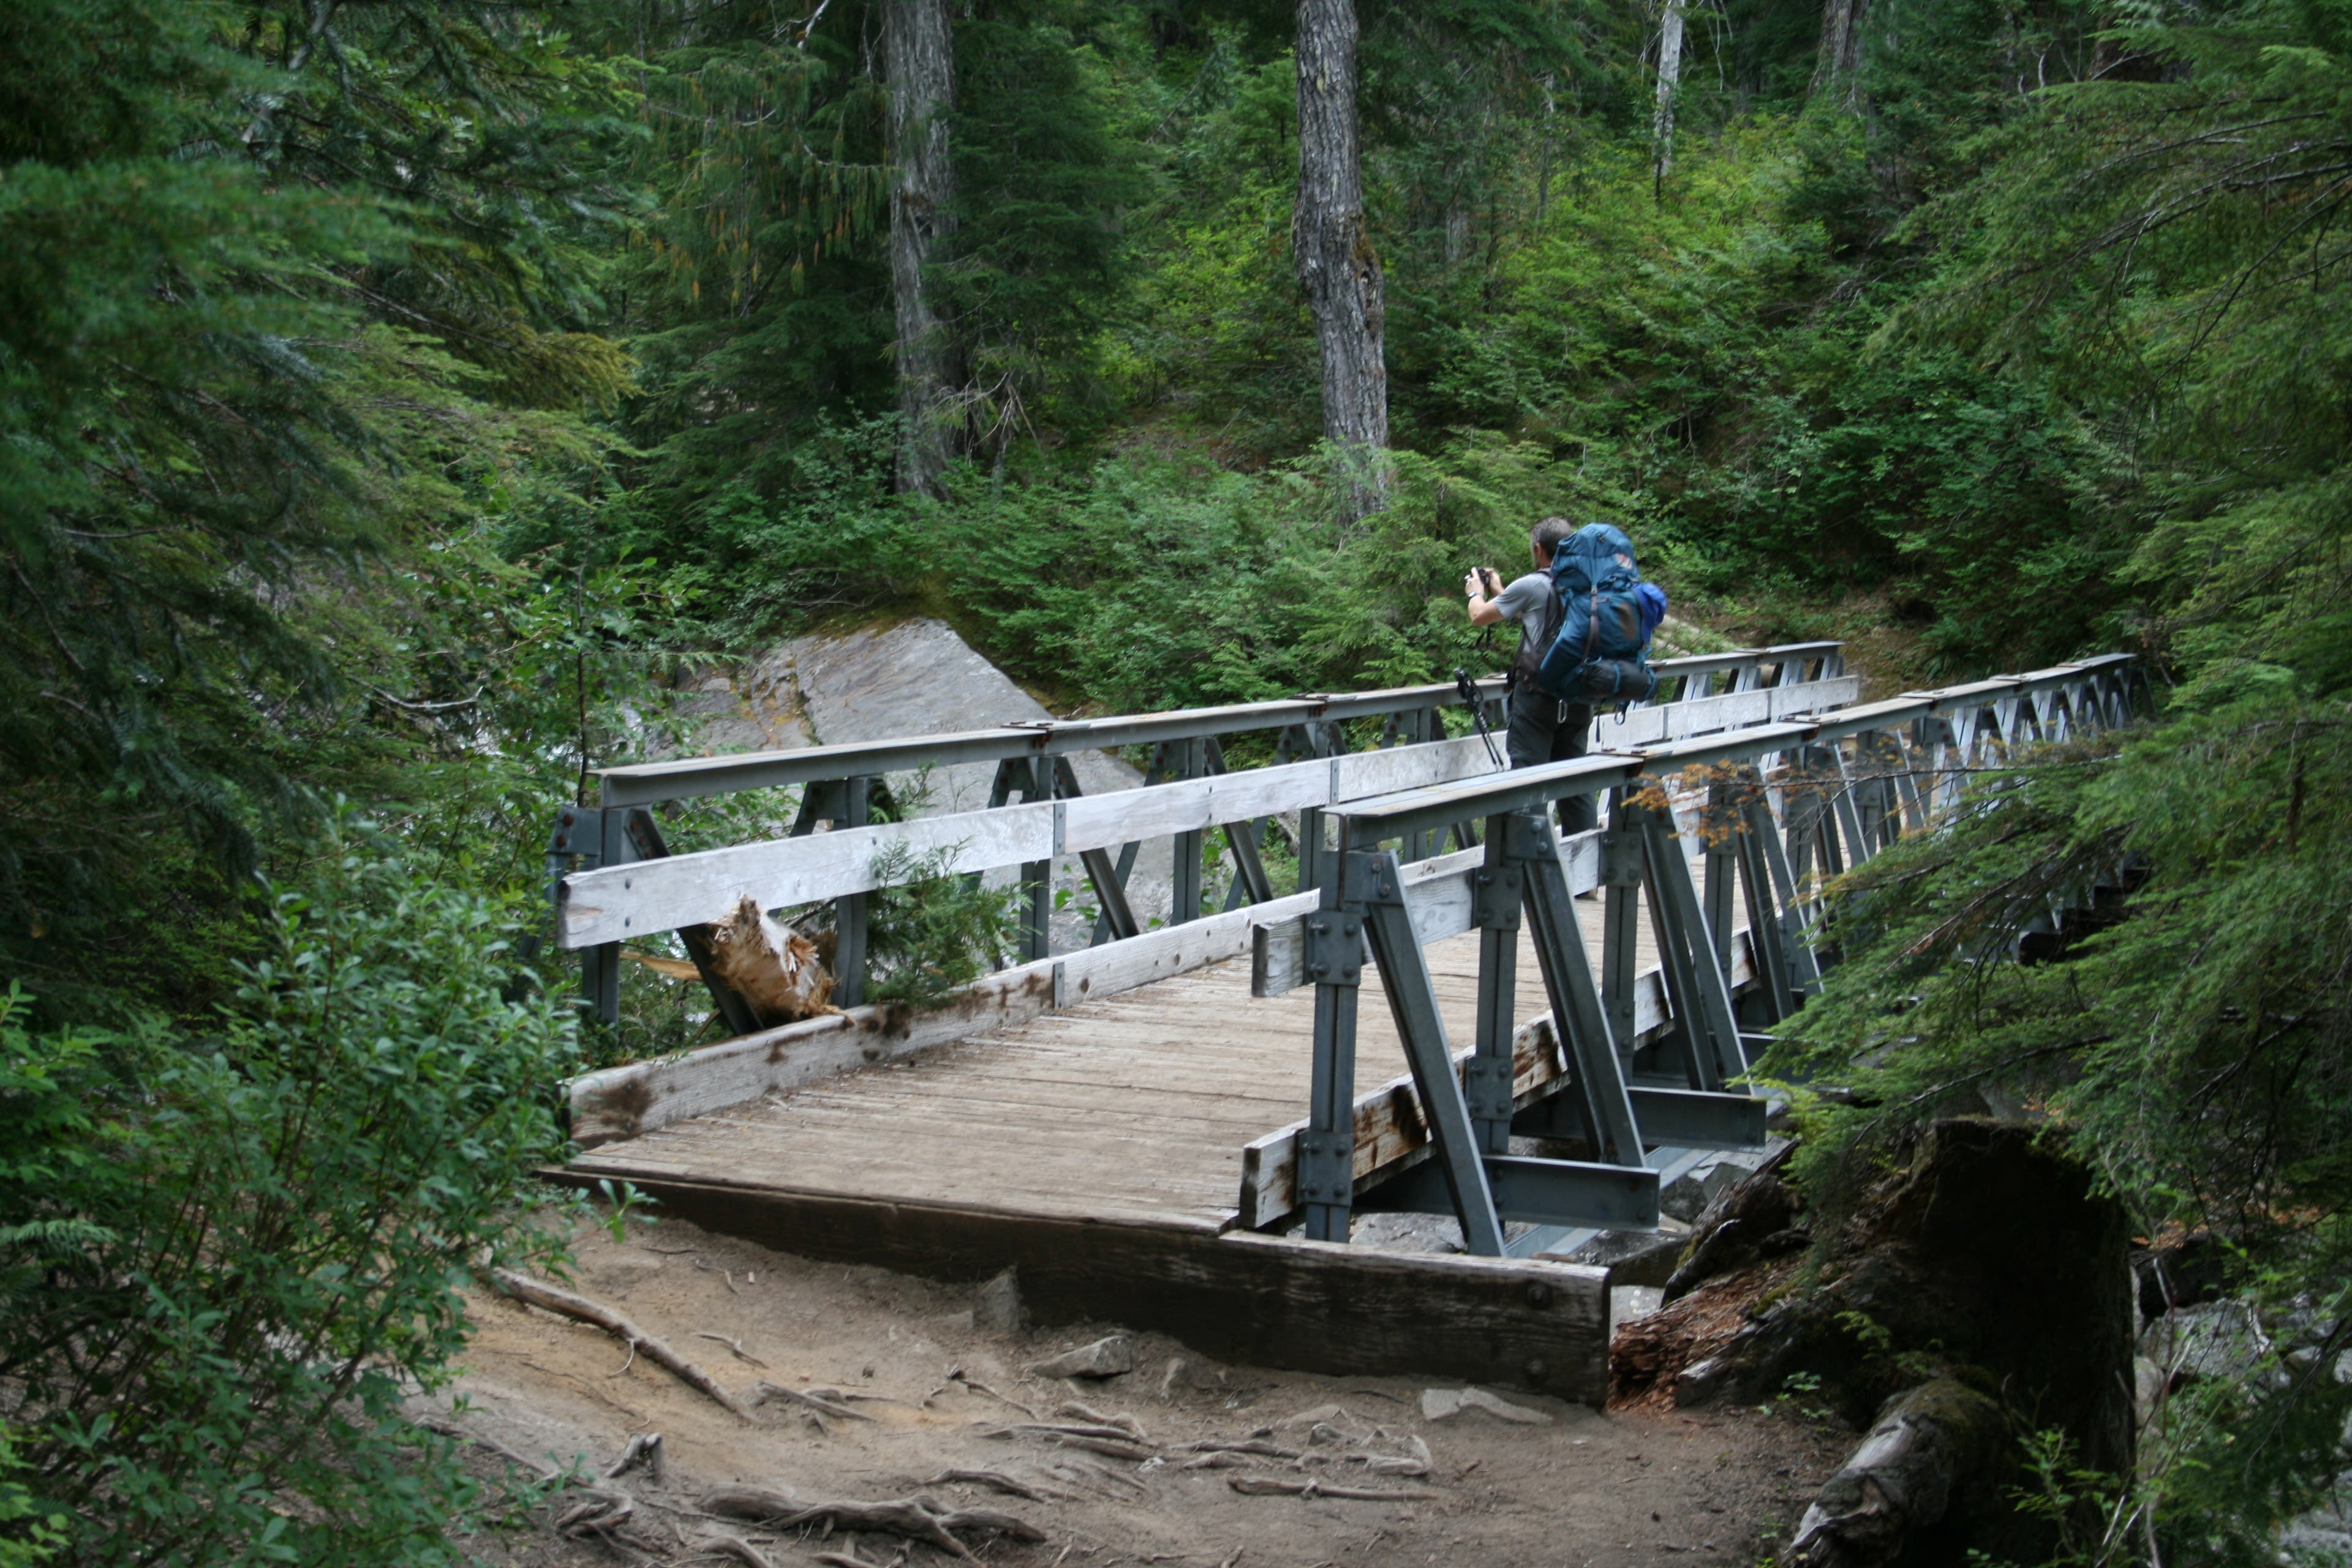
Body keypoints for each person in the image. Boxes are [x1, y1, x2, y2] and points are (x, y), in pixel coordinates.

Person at [1463, 516, 1596, 834]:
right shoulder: (1587, 584)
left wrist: (1475, 592)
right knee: (1575, 784)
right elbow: (1537, 612)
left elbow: (1480, 617)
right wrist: (1500, 589)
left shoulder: (1534, 584)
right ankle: (1587, 878)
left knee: (1529, 780)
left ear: (1539, 548)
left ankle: (1530, 874)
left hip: (1538, 698)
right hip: (1579, 696)